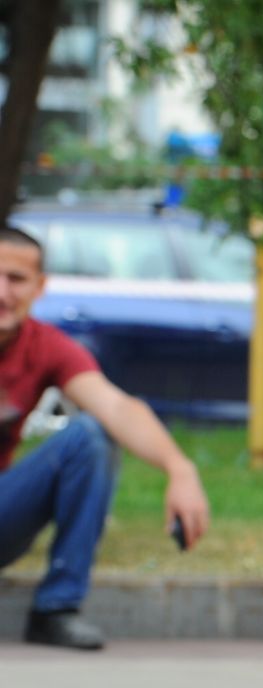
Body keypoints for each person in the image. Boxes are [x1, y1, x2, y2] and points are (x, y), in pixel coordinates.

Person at [0, 225, 210, 650]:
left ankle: (57, 609)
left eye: (16, 279)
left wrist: (180, 467)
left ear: (40, 287)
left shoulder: (46, 346)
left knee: (90, 436)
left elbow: (117, 407)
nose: (2, 292)